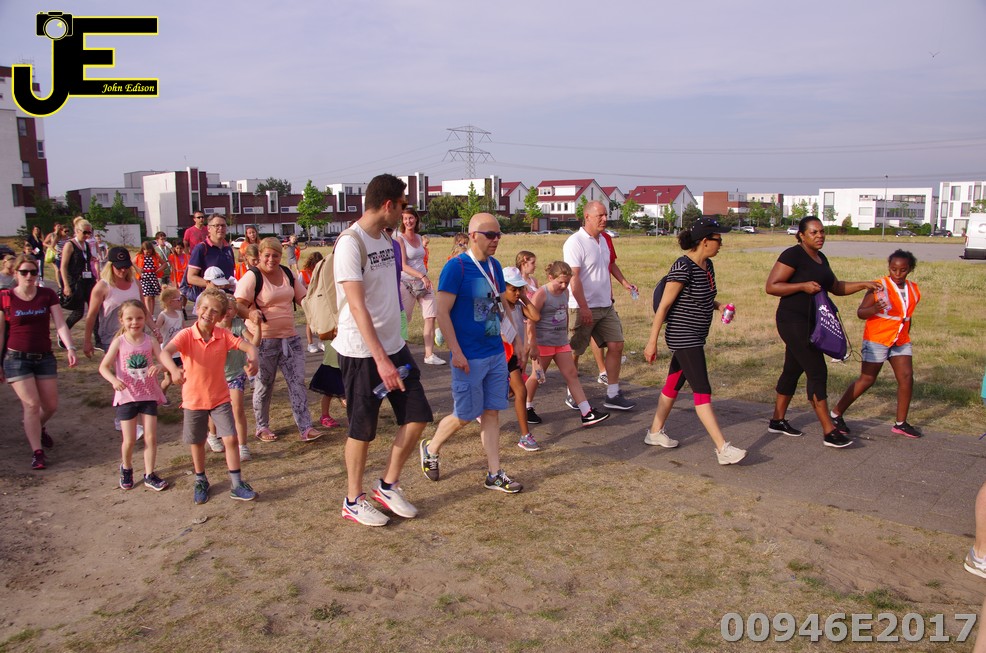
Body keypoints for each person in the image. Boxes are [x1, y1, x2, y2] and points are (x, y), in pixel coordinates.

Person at [333, 173, 433, 526]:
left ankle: (387, 485)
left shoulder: (388, 240)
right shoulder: (350, 243)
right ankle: (352, 499)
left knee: (418, 414)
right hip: (362, 353)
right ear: (388, 205)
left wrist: (396, 345)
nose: (405, 211)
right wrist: (381, 360)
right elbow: (357, 306)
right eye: (402, 205)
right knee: (362, 428)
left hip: (394, 346)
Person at [420, 212, 523, 494]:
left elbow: (499, 304)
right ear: (474, 236)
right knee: (465, 414)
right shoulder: (457, 268)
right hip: (468, 356)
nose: (496, 240)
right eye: (491, 235)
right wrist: (456, 352)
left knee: (492, 412)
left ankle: (494, 473)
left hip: (494, 352)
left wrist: (516, 339)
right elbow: (442, 312)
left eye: (499, 234)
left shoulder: (494, 266)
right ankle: (431, 448)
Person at [765, 215, 881, 448]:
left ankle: (777, 420)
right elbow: (772, 286)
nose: (820, 236)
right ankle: (829, 430)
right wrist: (802, 286)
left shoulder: (821, 258)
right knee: (817, 371)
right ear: (801, 235)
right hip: (793, 321)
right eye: (814, 232)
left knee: (792, 369)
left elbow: (836, 287)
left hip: (814, 322)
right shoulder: (792, 255)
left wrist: (864, 284)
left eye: (822, 232)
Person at [643, 218, 747, 465]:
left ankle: (654, 432)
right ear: (705, 241)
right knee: (702, 391)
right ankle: (722, 449)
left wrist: (718, 306)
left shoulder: (707, 266)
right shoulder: (683, 267)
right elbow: (664, 306)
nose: (721, 244)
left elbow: (702, 297)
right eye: (718, 240)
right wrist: (652, 341)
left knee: (673, 384)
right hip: (683, 335)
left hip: (697, 335)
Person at [159, 288, 259, 505]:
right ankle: (200, 479)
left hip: (219, 398)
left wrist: (254, 358)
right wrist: (174, 370)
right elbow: (165, 352)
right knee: (197, 442)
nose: (208, 313)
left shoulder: (223, 335)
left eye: (214, 311)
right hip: (193, 400)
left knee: (231, 438)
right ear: (197, 308)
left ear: (221, 316)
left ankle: (236, 484)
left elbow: (249, 346)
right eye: (204, 308)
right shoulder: (186, 335)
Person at [234, 237, 322, 442]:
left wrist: (318, 308)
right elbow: (238, 304)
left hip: (290, 339)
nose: (271, 259)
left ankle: (306, 427)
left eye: (275, 255)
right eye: (267, 255)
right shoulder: (252, 276)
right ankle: (262, 427)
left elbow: (302, 298)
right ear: (259, 256)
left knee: (297, 382)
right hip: (264, 341)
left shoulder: (287, 273)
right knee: (264, 385)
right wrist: (251, 314)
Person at [831, 250, 923, 438]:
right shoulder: (879, 287)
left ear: (910, 269)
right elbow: (861, 313)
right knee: (867, 379)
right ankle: (836, 414)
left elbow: (907, 315)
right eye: (893, 269)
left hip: (900, 340)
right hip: (877, 339)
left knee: (906, 377)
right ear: (889, 267)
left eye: (903, 270)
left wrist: (905, 333)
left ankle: (901, 423)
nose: (897, 274)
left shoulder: (913, 288)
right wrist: (874, 308)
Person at [0, 254, 78, 470]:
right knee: (32, 404)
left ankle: (36, 426)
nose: (29, 276)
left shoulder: (47, 295)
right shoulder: (6, 297)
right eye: (24, 272)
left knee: (50, 406)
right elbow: (1, 332)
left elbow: (60, 323)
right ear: (16, 273)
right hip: (16, 358)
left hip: (44, 357)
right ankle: (37, 452)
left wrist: (70, 347)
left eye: (33, 272)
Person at [563, 200, 638, 411]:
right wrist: (584, 307)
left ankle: (613, 393)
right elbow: (573, 277)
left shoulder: (604, 240)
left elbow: (610, 264)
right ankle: (572, 393)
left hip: (605, 305)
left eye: (606, 215)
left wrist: (624, 283)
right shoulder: (575, 242)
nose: (605, 219)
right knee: (575, 351)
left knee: (616, 345)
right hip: (581, 307)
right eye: (600, 216)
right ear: (587, 217)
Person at [524, 261, 610, 428]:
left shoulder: (565, 292)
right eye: (560, 282)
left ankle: (586, 413)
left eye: (567, 282)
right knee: (537, 376)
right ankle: (526, 406)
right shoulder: (542, 294)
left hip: (560, 342)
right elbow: (531, 320)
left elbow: (564, 313)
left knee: (572, 374)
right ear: (551, 277)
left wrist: (566, 333)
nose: (564, 286)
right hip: (544, 342)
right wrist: (532, 343)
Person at [98, 299, 168, 491]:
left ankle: (149, 474)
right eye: (129, 319)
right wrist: (114, 380)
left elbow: (164, 360)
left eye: (139, 318)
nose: (134, 322)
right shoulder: (119, 342)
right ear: (121, 320)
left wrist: (160, 366)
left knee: (151, 437)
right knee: (129, 440)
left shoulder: (150, 341)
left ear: (145, 318)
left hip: (148, 396)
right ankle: (127, 467)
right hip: (127, 397)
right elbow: (103, 367)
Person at [211, 299, 262, 462]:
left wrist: (258, 327)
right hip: (216, 375)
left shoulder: (238, 325)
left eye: (230, 309)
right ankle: (212, 435)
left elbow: (254, 342)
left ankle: (242, 446)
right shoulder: (212, 327)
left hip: (236, 374)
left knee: (237, 408)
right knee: (213, 408)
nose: (227, 312)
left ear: (235, 311)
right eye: (223, 309)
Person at [500, 267, 541, 451]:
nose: (517, 293)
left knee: (515, 392)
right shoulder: (498, 307)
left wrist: (524, 297)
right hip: (501, 355)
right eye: (513, 289)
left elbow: (536, 316)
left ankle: (525, 436)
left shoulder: (518, 306)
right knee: (519, 391)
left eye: (520, 289)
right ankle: (525, 436)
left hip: (514, 357)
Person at [397, 207, 444, 366]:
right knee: (405, 319)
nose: (408, 221)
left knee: (430, 316)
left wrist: (424, 276)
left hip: (424, 283)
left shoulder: (418, 237)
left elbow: (421, 259)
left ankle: (429, 355)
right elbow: (403, 265)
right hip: (407, 283)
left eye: (410, 218)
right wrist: (421, 276)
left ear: (416, 219)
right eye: (405, 218)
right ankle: (399, 354)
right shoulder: (400, 239)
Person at [83, 247, 144, 357]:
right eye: (119, 267)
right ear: (110, 266)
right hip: (112, 338)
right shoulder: (102, 287)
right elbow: (91, 315)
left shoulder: (135, 283)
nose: (123, 270)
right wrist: (87, 341)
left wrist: (155, 329)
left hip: (136, 336)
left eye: (126, 267)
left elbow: (144, 310)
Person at [186, 215, 236, 309]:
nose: (220, 228)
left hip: (227, 300)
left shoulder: (228, 249)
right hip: (209, 301)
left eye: (223, 225)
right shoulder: (201, 248)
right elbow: (191, 277)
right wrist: (215, 285)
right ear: (209, 228)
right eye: (216, 225)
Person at [59, 218, 97, 340]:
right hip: (76, 282)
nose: (87, 235)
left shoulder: (86, 245)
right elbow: (63, 267)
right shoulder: (69, 245)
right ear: (77, 231)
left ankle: (98, 339)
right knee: (78, 312)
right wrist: (66, 285)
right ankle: (62, 333)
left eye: (89, 233)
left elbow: (86, 260)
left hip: (88, 281)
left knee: (94, 309)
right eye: (85, 232)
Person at [155, 286, 185, 396]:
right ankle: (161, 395)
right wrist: (158, 336)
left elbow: (183, 329)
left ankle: (186, 398)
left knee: (184, 376)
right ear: (170, 302)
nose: (181, 301)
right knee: (168, 380)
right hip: (169, 352)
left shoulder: (180, 314)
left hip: (180, 351)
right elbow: (156, 329)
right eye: (179, 299)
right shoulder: (163, 316)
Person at [300, 251, 325, 353]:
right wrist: (308, 287)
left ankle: (321, 341)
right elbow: (299, 286)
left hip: (319, 300)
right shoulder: (303, 273)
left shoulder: (322, 272)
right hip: (308, 301)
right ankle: (310, 343)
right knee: (309, 322)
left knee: (321, 321)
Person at [134, 240, 165, 317]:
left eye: (149, 250)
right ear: (142, 250)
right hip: (144, 278)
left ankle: (151, 314)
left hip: (153, 277)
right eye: (145, 250)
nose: (147, 252)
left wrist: (159, 269)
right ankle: (148, 314)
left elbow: (164, 264)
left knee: (152, 296)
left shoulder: (155, 256)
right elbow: (132, 263)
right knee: (147, 296)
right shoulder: (139, 256)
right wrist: (138, 269)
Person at [168, 241, 190, 320]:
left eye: (180, 248)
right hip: (177, 277)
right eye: (177, 248)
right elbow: (173, 269)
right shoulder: (172, 257)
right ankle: (179, 309)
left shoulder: (187, 256)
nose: (179, 250)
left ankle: (183, 308)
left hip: (185, 278)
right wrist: (175, 282)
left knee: (185, 295)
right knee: (179, 295)